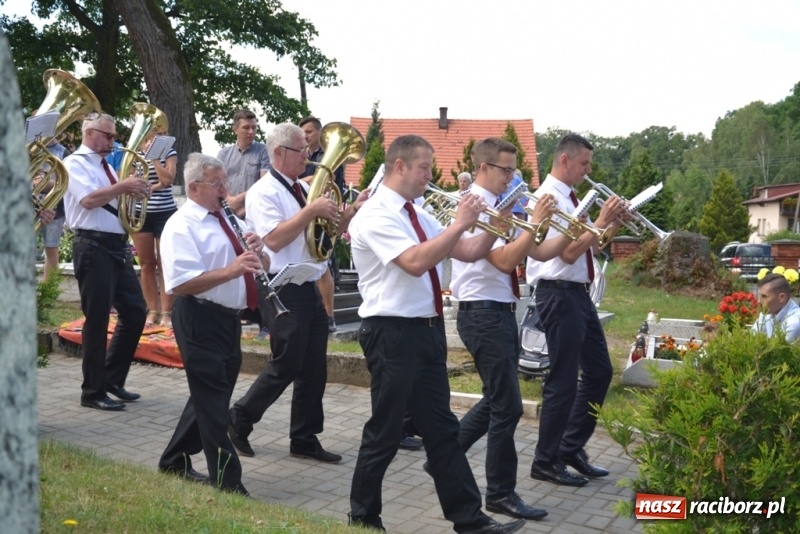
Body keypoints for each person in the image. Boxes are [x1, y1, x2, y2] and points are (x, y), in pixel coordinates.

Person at [348, 134, 525, 534]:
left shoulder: (418, 213)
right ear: (399, 167)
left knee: (443, 429)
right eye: (425, 167)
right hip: (390, 332)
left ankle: (470, 519)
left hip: (425, 332)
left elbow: (465, 251)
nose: (431, 175)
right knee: (386, 430)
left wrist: (495, 227)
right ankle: (363, 516)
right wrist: (460, 221)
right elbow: (413, 262)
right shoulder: (376, 214)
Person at [228, 123, 366, 463]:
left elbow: (326, 233)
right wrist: (311, 211)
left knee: (314, 367)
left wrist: (351, 212)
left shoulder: (300, 189)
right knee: (287, 362)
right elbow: (273, 239)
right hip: (282, 287)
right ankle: (239, 418)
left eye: (307, 149)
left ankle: (304, 436)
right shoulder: (264, 192)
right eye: (300, 150)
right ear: (279, 153)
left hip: (308, 284)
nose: (308, 155)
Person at [451, 138, 571, 521]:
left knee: (496, 400)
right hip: (481, 312)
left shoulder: (506, 203)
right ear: (484, 167)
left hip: (500, 310)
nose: (512, 178)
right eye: (506, 170)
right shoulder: (473, 205)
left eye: (514, 170)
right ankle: (500, 493)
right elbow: (504, 261)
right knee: (508, 406)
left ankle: (445, 457)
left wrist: (572, 228)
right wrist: (533, 226)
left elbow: (537, 254)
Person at [157, 153, 263, 494]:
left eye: (225, 182)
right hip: (198, 316)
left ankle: (173, 459)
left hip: (228, 320)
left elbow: (262, 261)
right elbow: (181, 283)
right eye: (217, 184)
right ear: (194, 187)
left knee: (210, 395)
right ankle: (228, 481)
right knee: (214, 402)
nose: (225, 190)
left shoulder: (228, 218)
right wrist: (232, 270)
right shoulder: (181, 225)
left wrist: (261, 250)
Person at [525, 133, 624, 486]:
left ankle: (569, 447)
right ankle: (545, 460)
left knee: (600, 372)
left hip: (578, 293)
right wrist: (599, 223)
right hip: (557, 292)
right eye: (584, 163)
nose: (588, 169)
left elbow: (587, 249)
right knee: (563, 381)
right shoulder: (548, 199)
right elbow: (566, 253)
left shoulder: (571, 199)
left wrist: (610, 224)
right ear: (564, 161)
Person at [63, 112, 150, 411]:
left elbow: (116, 202)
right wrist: (124, 186)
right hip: (92, 246)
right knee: (97, 320)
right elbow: (88, 200)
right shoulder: (75, 163)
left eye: (114, 136)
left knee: (136, 311)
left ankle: (112, 379)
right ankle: (92, 391)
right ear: (90, 134)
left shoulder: (105, 166)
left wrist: (137, 191)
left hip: (115, 246)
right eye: (109, 136)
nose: (114, 142)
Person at [299, 116, 345, 332]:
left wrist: (304, 182)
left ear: (319, 133)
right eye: (303, 133)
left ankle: (329, 316)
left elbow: (329, 180)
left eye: (308, 132)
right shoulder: (301, 155)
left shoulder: (327, 155)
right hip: (302, 211)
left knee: (323, 265)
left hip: (324, 213)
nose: (305, 136)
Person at [131, 124, 178, 328]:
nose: (161, 136)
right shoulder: (135, 151)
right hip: (141, 213)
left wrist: (154, 158)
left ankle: (166, 312)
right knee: (147, 264)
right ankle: (152, 310)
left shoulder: (169, 151)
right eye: (157, 133)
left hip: (165, 213)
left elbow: (168, 180)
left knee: (165, 263)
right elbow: (132, 179)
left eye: (163, 133)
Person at [216, 108, 271, 218]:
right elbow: (218, 182)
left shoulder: (264, 151)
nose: (251, 132)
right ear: (235, 129)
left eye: (254, 128)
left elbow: (265, 183)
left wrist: (238, 201)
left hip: (255, 211)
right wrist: (233, 203)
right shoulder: (224, 153)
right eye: (246, 128)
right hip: (228, 210)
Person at [36, 138, 71, 279]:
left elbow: (69, 181)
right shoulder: (30, 149)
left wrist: (48, 183)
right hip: (29, 206)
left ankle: (49, 292)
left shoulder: (64, 153)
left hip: (54, 207)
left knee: (51, 247)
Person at [752, 273, 800, 342]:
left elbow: (778, 351)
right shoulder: (767, 311)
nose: (759, 301)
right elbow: (751, 338)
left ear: (781, 298)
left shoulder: (794, 322)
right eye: (760, 296)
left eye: (764, 296)